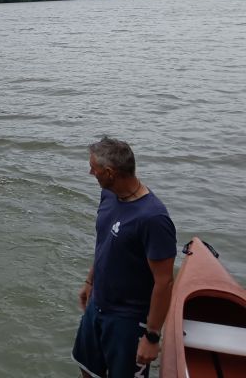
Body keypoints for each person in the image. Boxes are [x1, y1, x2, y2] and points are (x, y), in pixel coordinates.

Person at [72, 137, 176, 378]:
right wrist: (90, 281)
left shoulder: (153, 218)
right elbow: (104, 244)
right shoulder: (109, 196)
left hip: (127, 321)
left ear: (109, 172)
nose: (90, 172)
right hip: (97, 306)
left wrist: (151, 336)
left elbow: (164, 281)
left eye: (94, 169)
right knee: (86, 370)